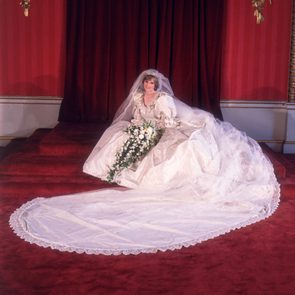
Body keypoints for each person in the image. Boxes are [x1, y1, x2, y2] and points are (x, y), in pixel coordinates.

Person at [10, 69, 280, 255]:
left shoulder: (164, 99)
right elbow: (139, 117)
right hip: (146, 129)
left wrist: (153, 130)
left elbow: (167, 121)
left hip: (165, 127)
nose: (148, 87)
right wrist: (138, 128)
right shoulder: (139, 99)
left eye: (152, 84)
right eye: (146, 84)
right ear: (143, 86)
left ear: (157, 85)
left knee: (177, 147)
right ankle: (117, 167)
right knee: (118, 135)